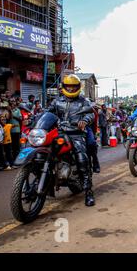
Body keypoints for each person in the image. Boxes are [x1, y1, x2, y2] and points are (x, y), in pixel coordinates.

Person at [47, 75, 95, 207]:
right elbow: (47, 113)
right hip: (60, 132)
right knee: (45, 152)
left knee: (82, 160)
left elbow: (90, 114)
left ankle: (88, 192)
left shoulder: (83, 101)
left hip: (76, 134)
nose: (71, 88)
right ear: (64, 87)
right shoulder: (57, 101)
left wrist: (84, 121)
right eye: (69, 86)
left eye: (74, 86)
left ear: (78, 87)